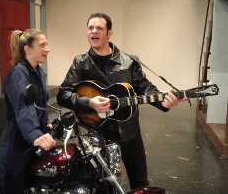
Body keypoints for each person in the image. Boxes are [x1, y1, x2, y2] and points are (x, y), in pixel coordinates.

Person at [56, 13, 187, 191]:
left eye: (99, 28)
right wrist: (89, 102)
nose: (94, 31)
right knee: (104, 184)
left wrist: (162, 101)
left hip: (129, 130)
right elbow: (63, 94)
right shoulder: (81, 63)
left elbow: (143, 86)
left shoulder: (129, 61)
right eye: (90, 28)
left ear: (109, 33)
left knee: (139, 181)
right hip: (98, 131)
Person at [0, 29, 56, 194]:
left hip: (29, 144)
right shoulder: (19, 74)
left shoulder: (37, 72)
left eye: (46, 44)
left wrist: (46, 125)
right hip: (17, 146)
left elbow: (38, 106)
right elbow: (24, 107)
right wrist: (35, 134)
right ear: (28, 49)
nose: (47, 49)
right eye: (42, 45)